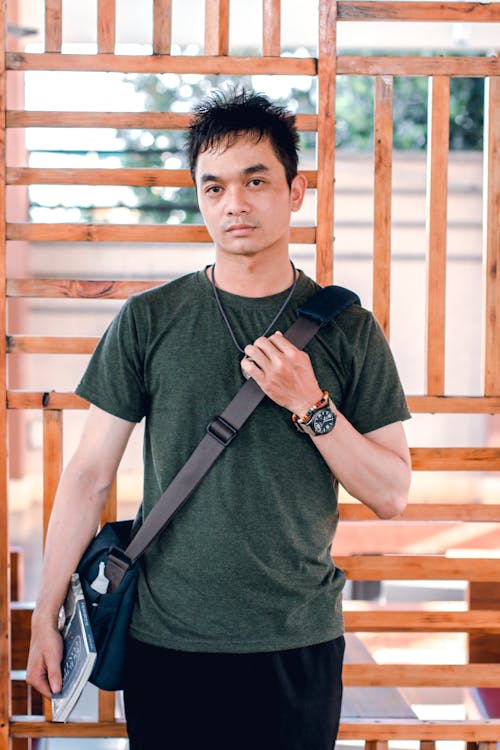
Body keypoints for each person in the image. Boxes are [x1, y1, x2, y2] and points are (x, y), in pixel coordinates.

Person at [27, 88, 411, 749]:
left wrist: (310, 403)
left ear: (295, 191)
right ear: (201, 199)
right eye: (214, 187)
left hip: (297, 642)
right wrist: (45, 610)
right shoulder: (149, 320)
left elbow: (391, 492)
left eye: (255, 180)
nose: (234, 203)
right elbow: (89, 474)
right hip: (167, 643)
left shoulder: (350, 330)